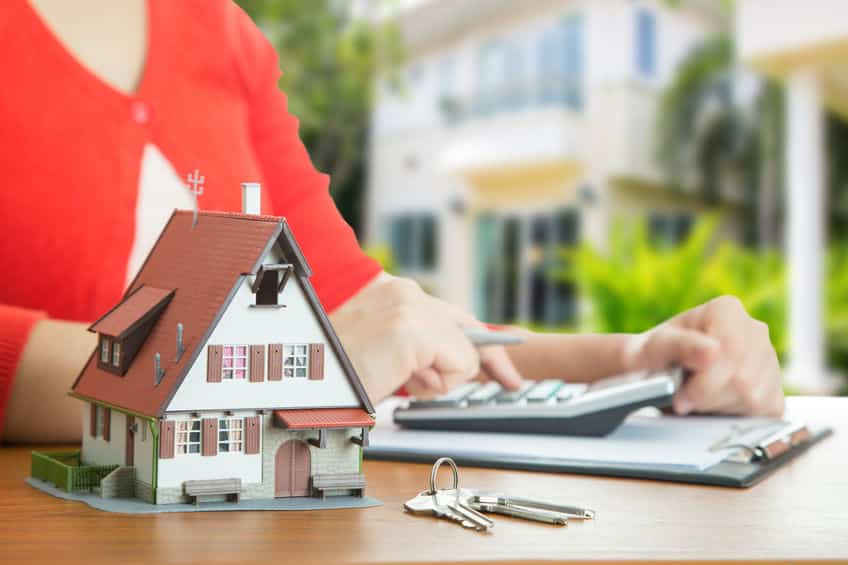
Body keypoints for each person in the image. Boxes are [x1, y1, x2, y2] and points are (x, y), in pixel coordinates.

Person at [0, 0, 783, 443]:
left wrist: (641, 360)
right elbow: (335, 353)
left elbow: (377, 325)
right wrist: (289, 376)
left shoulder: (222, 36)